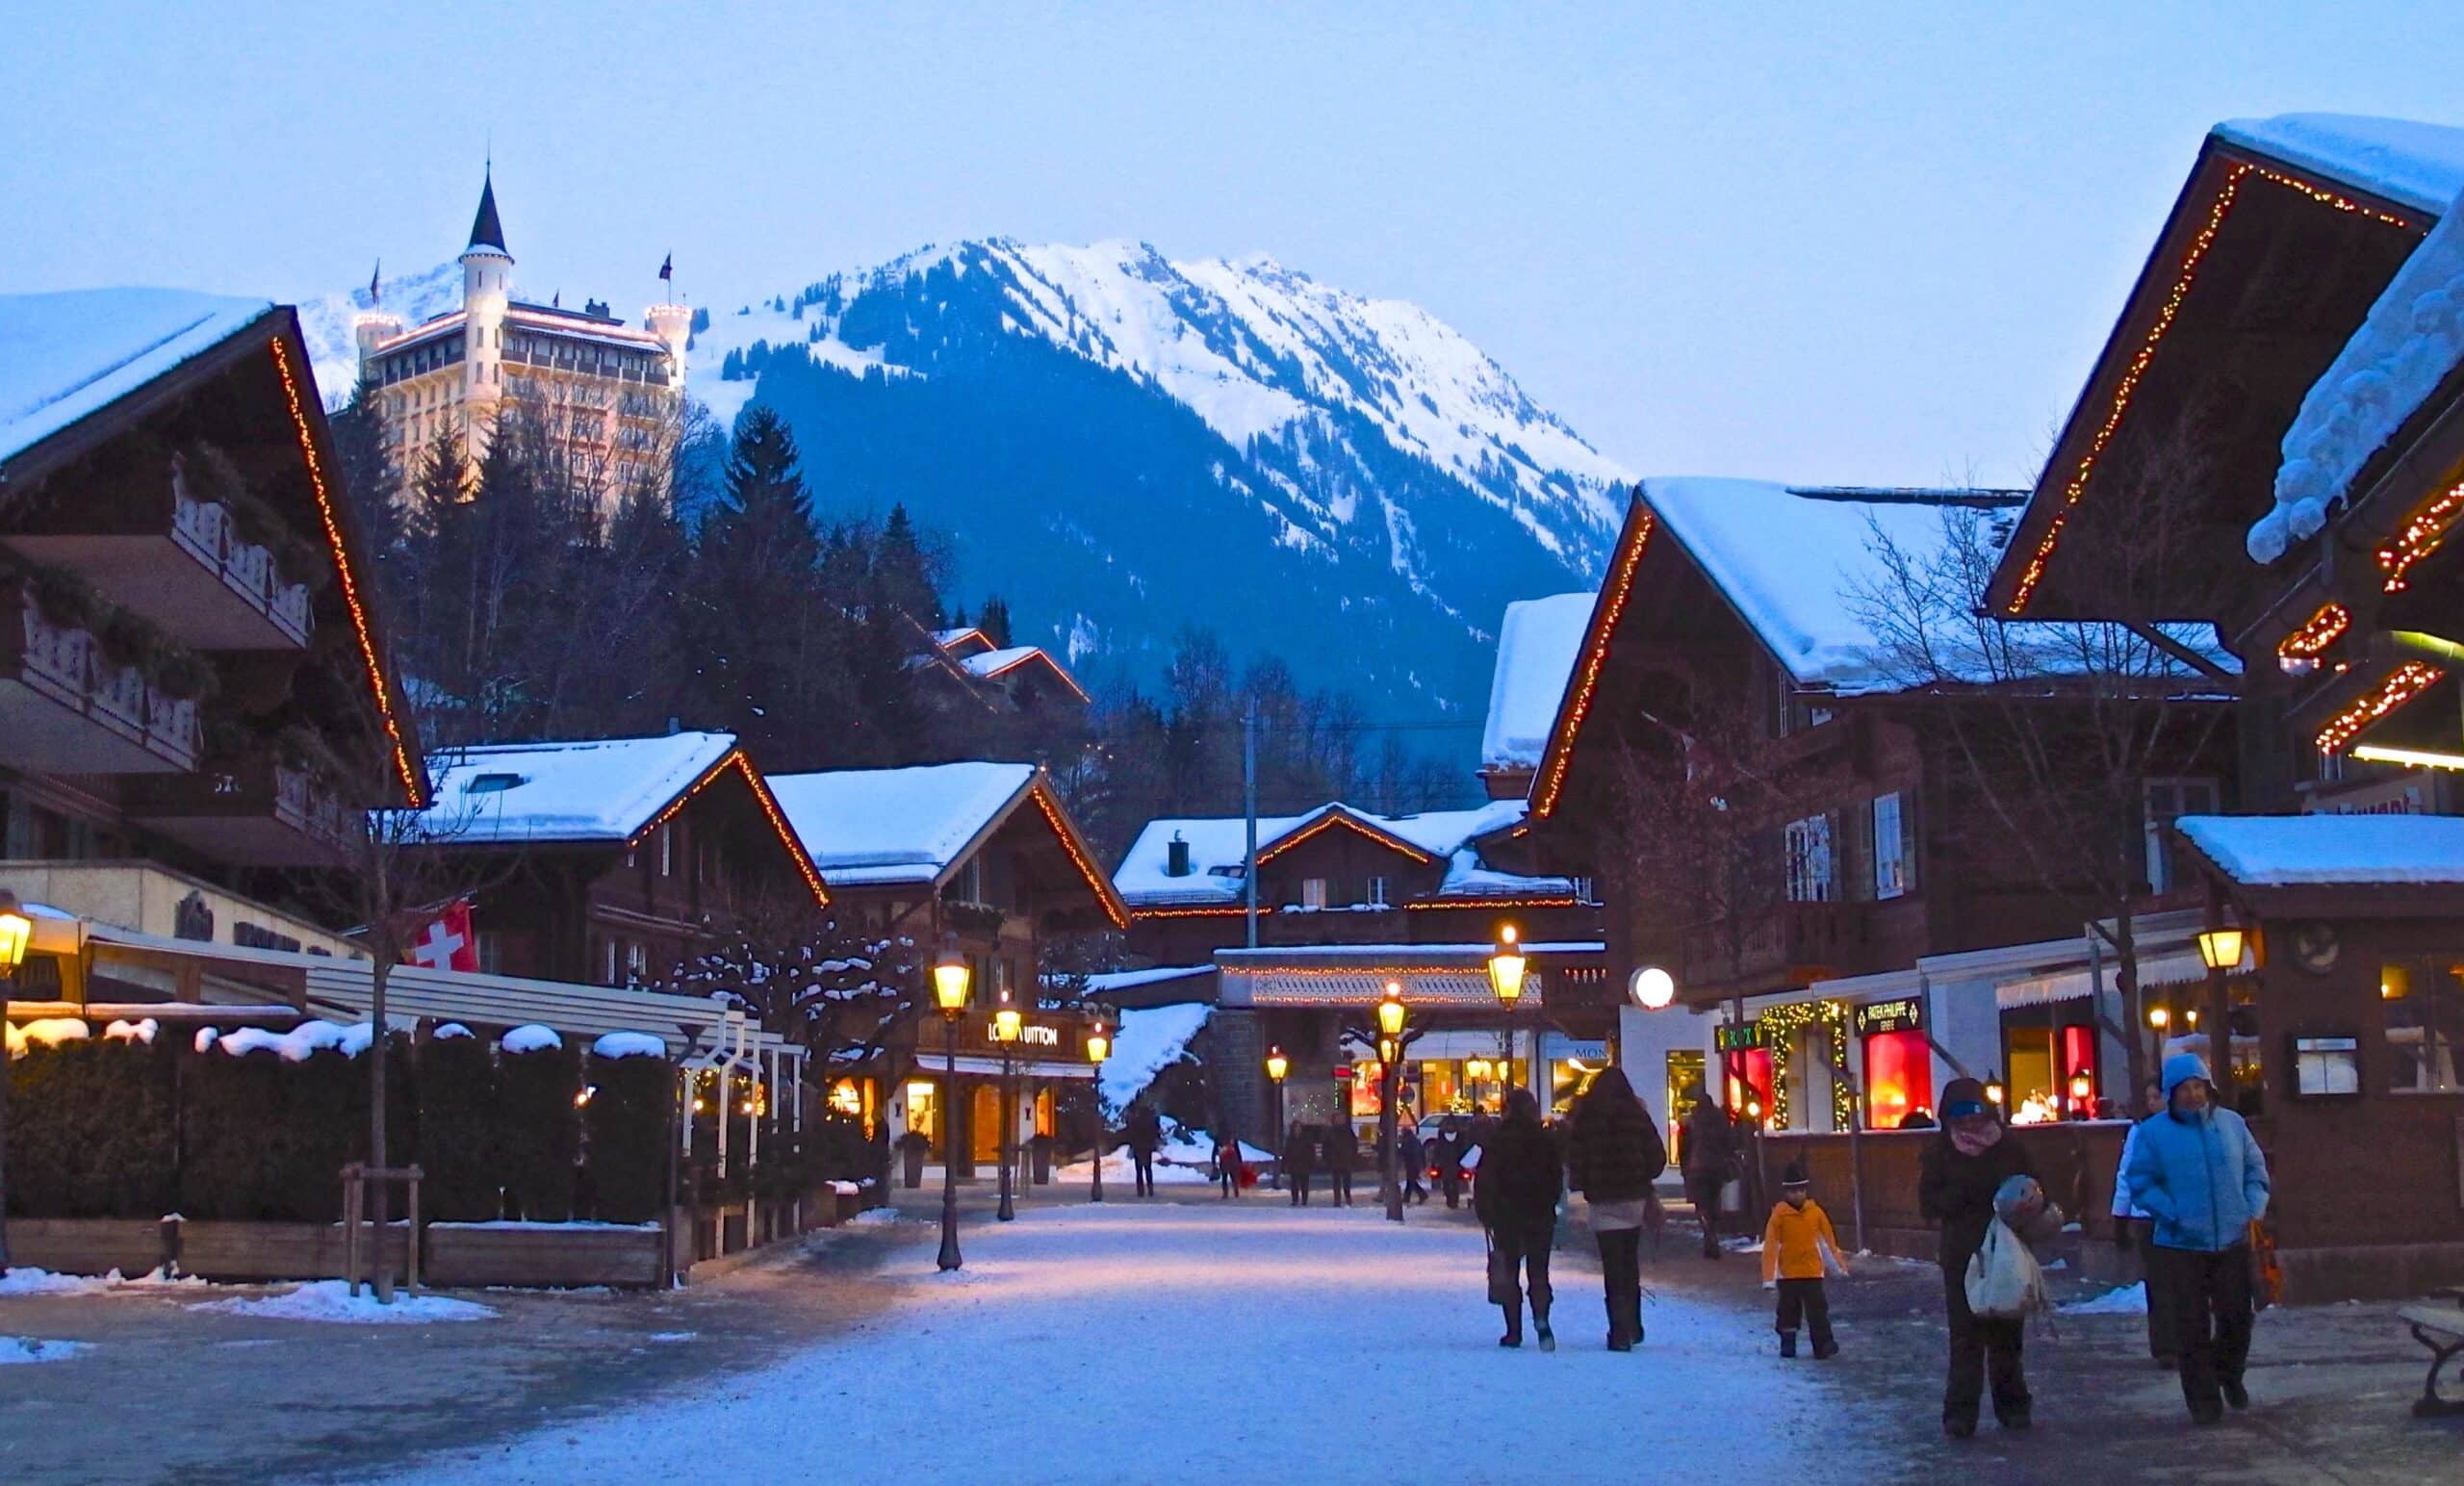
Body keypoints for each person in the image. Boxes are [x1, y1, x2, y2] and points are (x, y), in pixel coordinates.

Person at [2124, 1053, 2272, 1426]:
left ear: (2208, 1088)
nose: (2192, 1095)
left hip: (2232, 1242)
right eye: (2184, 1089)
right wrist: (2172, 1214)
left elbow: (2255, 1172)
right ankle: (2204, 1402)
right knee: (2190, 1326)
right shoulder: (2153, 1133)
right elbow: (2141, 1181)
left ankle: (2230, 1373)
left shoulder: (2232, 1125)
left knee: (2237, 1318)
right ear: (2171, 1094)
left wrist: (2252, 1208)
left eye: (2198, 1087)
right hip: (2180, 1245)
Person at [1919, 1076, 2038, 1439]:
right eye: (1960, 1113)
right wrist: (1957, 1198)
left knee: (2006, 1330)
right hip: (1961, 1254)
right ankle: (1960, 1414)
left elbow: (2035, 1184)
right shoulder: (1940, 1152)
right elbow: (1927, 1203)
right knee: (1965, 1335)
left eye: (1975, 1111)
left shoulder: (2010, 1146)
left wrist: (2023, 1204)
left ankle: (2013, 1406)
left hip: (2006, 1248)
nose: (1970, 1121)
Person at [1564, 1066, 1668, 1351]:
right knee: (1629, 1261)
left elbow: (1576, 1159)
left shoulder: (1587, 1118)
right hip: (1633, 1197)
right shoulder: (1637, 1115)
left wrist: (1586, 1183)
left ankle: (1618, 1330)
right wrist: (1641, 1174)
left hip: (1602, 1199)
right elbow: (1658, 1157)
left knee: (1612, 1266)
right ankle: (1634, 1324)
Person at [1474, 1088, 1562, 1350]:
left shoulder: (1499, 1140)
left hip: (1507, 1215)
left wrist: (1486, 1214)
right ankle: (1542, 1319)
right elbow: (1555, 1177)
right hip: (1539, 1214)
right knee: (1539, 1271)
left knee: (1509, 1272)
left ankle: (1513, 1331)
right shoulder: (1545, 1140)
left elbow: (1486, 1179)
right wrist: (1548, 1203)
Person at [2111, 1080, 2177, 1370]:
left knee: (2181, 1282)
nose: (2152, 1102)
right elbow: (2126, 1175)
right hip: (2147, 1217)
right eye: (2148, 1097)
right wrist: (2120, 1216)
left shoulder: (2183, 1129)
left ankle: (2182, 1341)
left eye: (2157, 1096)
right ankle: (2165, 1345)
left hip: (2179, 1215)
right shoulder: (2140, 1131)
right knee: (2160, 1282)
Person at [1762, 1160, 1842, 1359]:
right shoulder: (1779, 1216)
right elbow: (1771, 1246)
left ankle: (1823, 1345)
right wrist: (1769, 1278)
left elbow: (1827, 1242)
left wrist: (1837, 1267)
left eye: (1801, 1190)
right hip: (1788, 1274)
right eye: (1792, 1191)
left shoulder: (1816, 1213)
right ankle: (1788, 1344)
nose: (1797, 1194)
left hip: (1813, 1272)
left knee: (1818, 1311)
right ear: (1785, 1193)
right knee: (1788, 1312)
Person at [1680, 1086, 1738, 1258]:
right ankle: (1712, 1227)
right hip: (1717, 1167)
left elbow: (1684, 1147)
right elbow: (1730, 1142)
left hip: (1697, 1168)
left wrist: (1685, 1168)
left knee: (1701, 1204)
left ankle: (1708, 1232)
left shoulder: (1691, 1121)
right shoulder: (1720, 1119)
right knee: (1713, 1200)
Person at [1125, 1101, 1162, 1198]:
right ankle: (1150, 1189)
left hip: (1138, 1147)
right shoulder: (1151, 1121)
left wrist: (1132, 1144)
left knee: (1139, 1170)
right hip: (1148, 1147)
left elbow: (1131, 1133)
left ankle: (1140, 1191)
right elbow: (1156, 1133)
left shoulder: (1136, 1121)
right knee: (1148, 1168)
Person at [1436, 1116, 1469, 1209]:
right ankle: (1450, 1199)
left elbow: (1462, 1148)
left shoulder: (1459, 1136)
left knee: (1454, 1183)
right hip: (1446, 1162)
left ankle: (1454, 1201)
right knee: (1447, 1182)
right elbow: (1438, 1147)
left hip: (1454, 1162)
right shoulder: (1442, 1135)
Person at [1284, 1121, 1317, 1207]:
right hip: (1293, 1164)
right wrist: (1285, 1164)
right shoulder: (1290, 1140)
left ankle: (1304, 1200)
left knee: (1304, 1183)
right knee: (1294, 1183)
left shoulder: (1306, 1139)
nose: (1297, 1130)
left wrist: (1311, 1163)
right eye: (1296, 1128)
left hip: (1304, 1164)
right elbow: (1286, 1152)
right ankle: (1295, 1200)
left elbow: (1311, 1152)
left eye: (1299, 1128)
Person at [1398, 1123, 1428, 1204]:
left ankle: (1422, 1194)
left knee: (1411, 1181)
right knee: (1410, 1181)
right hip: (1415, 1163)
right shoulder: (1413, 1139)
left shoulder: (1408, 1140)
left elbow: (1405, 1151)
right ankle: (1406, 1198)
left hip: (1412, 1164)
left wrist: (1398, 1151)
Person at [1213, 1128, 1243, 1200]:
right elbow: (1237, 1149)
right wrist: (1240, 1161)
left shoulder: (1218, 1137)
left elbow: (1214, 1150)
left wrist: (1213, 1161)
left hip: (1224, 1160)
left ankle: (1225, 1194)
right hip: (1233, 1160)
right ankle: (1236, 1191)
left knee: (1224, 1177)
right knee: (1233, 1177)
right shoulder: (1232, 1137)